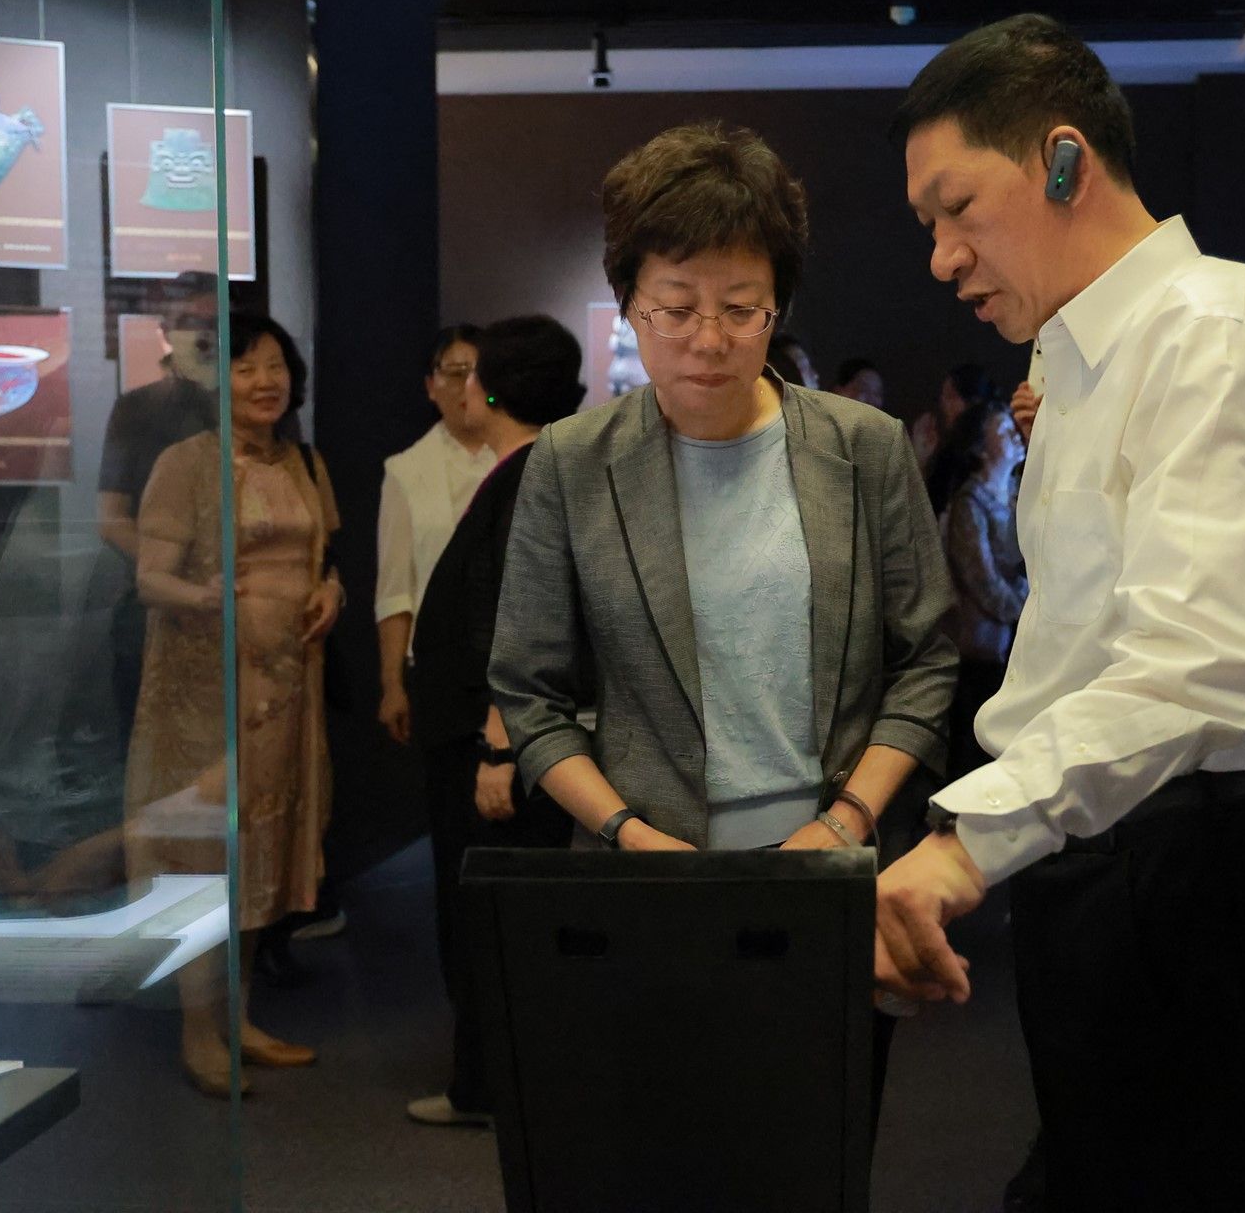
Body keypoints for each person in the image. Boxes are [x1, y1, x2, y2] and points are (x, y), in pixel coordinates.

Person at [874, 14, 1245, 1211]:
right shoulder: (1074, 360)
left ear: (1065, 160)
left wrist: (966, 846)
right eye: (927, 225)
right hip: (1108, 841)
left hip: (1185, 854)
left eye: (957, 208)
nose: (942, 258)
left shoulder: (1213, 321)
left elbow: (1201, 657)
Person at [487, 120, 958, 1118]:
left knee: (818, 1142)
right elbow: (529, 694)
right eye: (676, 307)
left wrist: (844, 821)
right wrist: (628, 834)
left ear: (777, 304)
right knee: (657, 1143)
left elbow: (924, 661)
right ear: (630, 303)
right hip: (641, 881)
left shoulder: (863, 450)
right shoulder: (571, 463)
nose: (708, 339)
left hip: (829, 872)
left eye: (741, 308)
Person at [124, 314, 341, 1097]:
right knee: (203, 859)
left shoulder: (305, 461)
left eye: (276, 365)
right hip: (207, 700)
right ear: (216, 382)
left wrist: (331, 591)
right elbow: (150, 579)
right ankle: (198, 1031)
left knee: (263, 855)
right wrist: (207, 596)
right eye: (245, 367)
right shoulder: (186, 463)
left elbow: (323, 560)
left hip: (288, 695)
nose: (264, 381)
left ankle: (240, 1019)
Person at [404, 314, 585, 1128]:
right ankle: (500, 1079)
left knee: (488, 918)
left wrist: (497, 749)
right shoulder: (539, 471)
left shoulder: (528, 478)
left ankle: (490, 1085)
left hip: (494, 746)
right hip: (495, 739)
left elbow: (516, 625)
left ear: (487, 388)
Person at [97, 271, 220, 740]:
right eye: (189, 321)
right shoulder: (136, 410)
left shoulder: (257, 408)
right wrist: (175, 579)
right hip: (156, 613)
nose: (203, 334)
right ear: (166, 330)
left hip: (236, 607)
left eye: (215, 322)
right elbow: (112, 519)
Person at [376, 325, 496, 747]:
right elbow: (395, 590)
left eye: (478, 372)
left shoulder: (525, 456)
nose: (467, 385)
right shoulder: (406, 470)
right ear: (431, 385)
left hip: (512, 661)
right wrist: (392, 683)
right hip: (440, 662)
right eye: (455, 373)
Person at [935, 400, 1026, 777]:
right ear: (981, 448)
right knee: (977, 755)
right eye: (1003, 431)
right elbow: (983, 581)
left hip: (1019, 643)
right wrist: (1030, 610)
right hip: (984, 650)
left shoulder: (1020, 492)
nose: (1015, 435)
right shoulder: (969, 503)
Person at [909, 361, 996, 476]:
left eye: (950, 396)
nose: (943, 403)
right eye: (943, 396)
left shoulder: (967, 458)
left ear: (974, 402)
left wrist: (919, 458)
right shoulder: (949, 451)